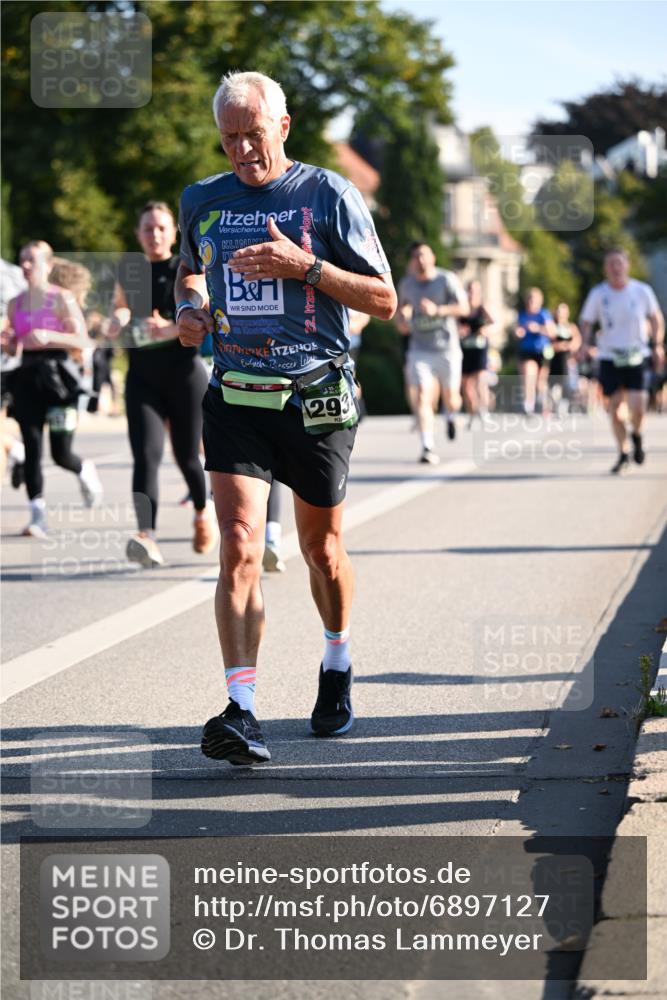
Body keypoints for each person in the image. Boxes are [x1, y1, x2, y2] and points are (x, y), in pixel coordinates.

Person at [176, 70, 396, 764]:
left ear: (284, 126)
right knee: (240, 542)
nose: (242, 149)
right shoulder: (203, 200)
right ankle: (241, 709)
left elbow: (383, 300)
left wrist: (305, 268)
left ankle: (336, 659)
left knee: (320, 551)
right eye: (229, 137)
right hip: (236, 392)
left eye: (253, 133)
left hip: (315, 393)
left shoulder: (327, 195)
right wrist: (188, 309)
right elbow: (189, 270)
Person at [111, 201, 217, 567]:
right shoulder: (131, 270)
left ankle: (203, 513)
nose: (154, 234)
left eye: (161, 228)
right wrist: (117, 319)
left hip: (184, 376)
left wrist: (169, 328)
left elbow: (204, 317)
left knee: (188, 456)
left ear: (173, 233)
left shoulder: (186, 269)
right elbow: (121, 308)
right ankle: (147, 537)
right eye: (147, 228)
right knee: (145, 456)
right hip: (142, 379)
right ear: (138, 234)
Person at [3, 241, 102, 537]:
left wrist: (48, 334)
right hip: (28, 376)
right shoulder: (14, 303)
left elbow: (82, 340)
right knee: (32, 447)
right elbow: (14, 344)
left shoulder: (62, 299)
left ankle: (84, 470)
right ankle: (37, 515)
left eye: (32, 260)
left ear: (48, 266)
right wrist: (8, 342)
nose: (26, 266)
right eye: (22, 260)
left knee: (61, 453)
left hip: (59, 378)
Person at [579, 248, 664, 474]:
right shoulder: (599, 294)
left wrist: (656, 345)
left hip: (638, 355)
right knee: (615, 411)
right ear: (605, 269)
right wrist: (585, 344)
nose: (615, 268)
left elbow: (656, 319)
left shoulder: (641, 291)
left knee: (638, 408)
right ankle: (623, 452)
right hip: (610, 356)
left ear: (627, 265)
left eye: (619, 263)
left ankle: (636, 435)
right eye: (610, 264)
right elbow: (586, 322)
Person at [396, 242, 468, 463]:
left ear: (433, 258)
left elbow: (464, 308)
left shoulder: (446, 280)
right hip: (420, 350)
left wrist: (438, 310)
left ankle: (451, 415)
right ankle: (427, 445)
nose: (421, 260)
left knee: (452, 398)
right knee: (422, 398)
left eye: (424, 255)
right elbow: (400, 316)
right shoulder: (407, 285)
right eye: (416, 256)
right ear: (412, 261)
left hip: (447, 348)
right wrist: (403, 321)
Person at [516, 287, 556, 415]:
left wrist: (538, 328)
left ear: (539, 301)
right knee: (528, 374)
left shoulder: (544, 314)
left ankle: (544, 402)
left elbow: (552, 333)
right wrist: (518, 333)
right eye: (529, 299)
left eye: (533, 299)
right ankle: (528, 404)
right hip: (527, 351)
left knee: (540, 382)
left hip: (542, 351)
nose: (530, 302)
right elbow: (517, 331)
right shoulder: (522, 315)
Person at [459, 279, 493, 427]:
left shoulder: (482, 307)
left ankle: (484, 412)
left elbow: (496, 324)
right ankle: (472, 413)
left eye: (476, 290)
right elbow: (453, 325)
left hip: (480, 349)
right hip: (465, 349)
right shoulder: (462, 307)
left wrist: (486, 330)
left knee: (480, 381)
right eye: (470, 290)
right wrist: (459, 331)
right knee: (466, 386)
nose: (473, 293)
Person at [549, 302, 581, 416]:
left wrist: (567, 346)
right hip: (555, 359)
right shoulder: (552, 326)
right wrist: (559, 346)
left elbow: (576, 341)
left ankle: (564, 405)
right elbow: (551, 343)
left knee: (567, 382)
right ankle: (556, 405)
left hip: (567, 359)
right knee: (554, 383)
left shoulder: (571, 327)